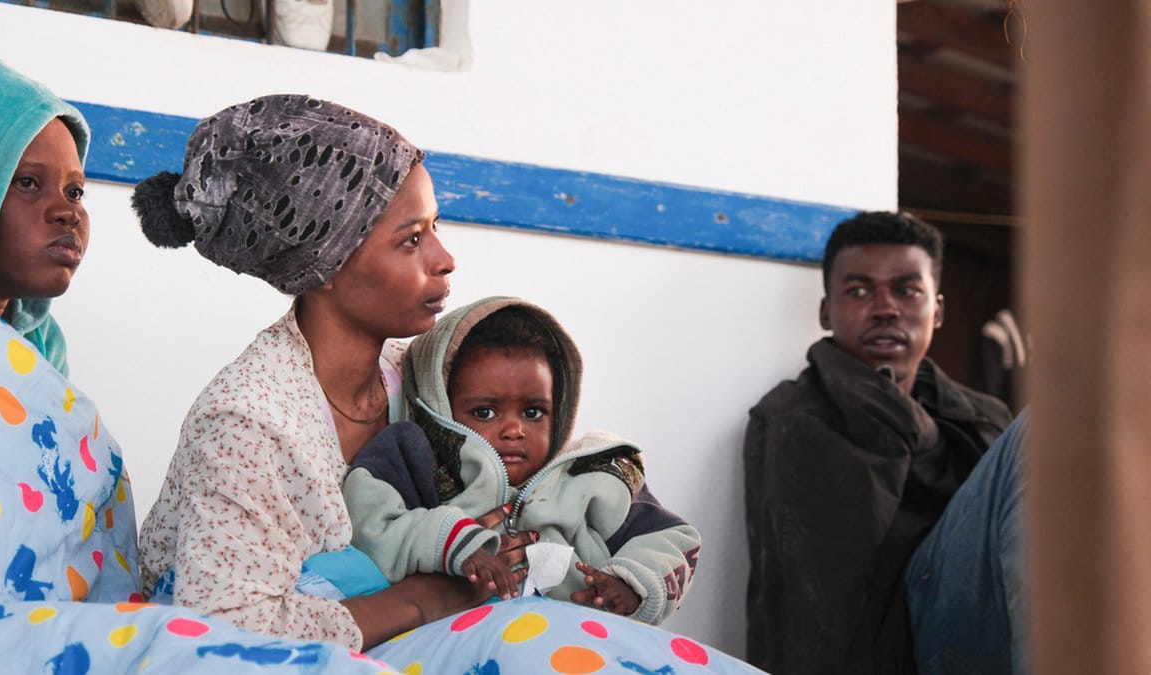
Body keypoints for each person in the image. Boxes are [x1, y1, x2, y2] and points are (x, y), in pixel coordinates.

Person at [131, 94, 763, 675]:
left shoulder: (424, 375)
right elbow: (225, 634)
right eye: (412, 240)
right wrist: (422, 599)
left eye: (436, 228)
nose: (444, 259)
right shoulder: (249, 422)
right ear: (325, 264)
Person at [0, 44, 401, 674]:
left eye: (76, 190)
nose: (67, 210)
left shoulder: (37, 362)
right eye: (28, 182)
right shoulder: (246, 411)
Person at [743, 211, 1020, 674]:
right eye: (859, 292)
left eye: (907, 290)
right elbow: (804, 604)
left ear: (938, 310)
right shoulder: (794, 418)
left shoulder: (983, 415)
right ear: (826, 312)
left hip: (988, 622)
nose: (885, 308)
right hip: (894, 646)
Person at [343, 296, 701, 624]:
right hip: (456, 645)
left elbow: (673, 539)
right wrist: (450, 542)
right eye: (484, 412)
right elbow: (369, 525)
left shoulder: (595, 473)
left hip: (577, 645)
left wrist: (631, 584)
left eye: (533, 412)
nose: (514, 430)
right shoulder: (413, 454)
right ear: (440, 405)